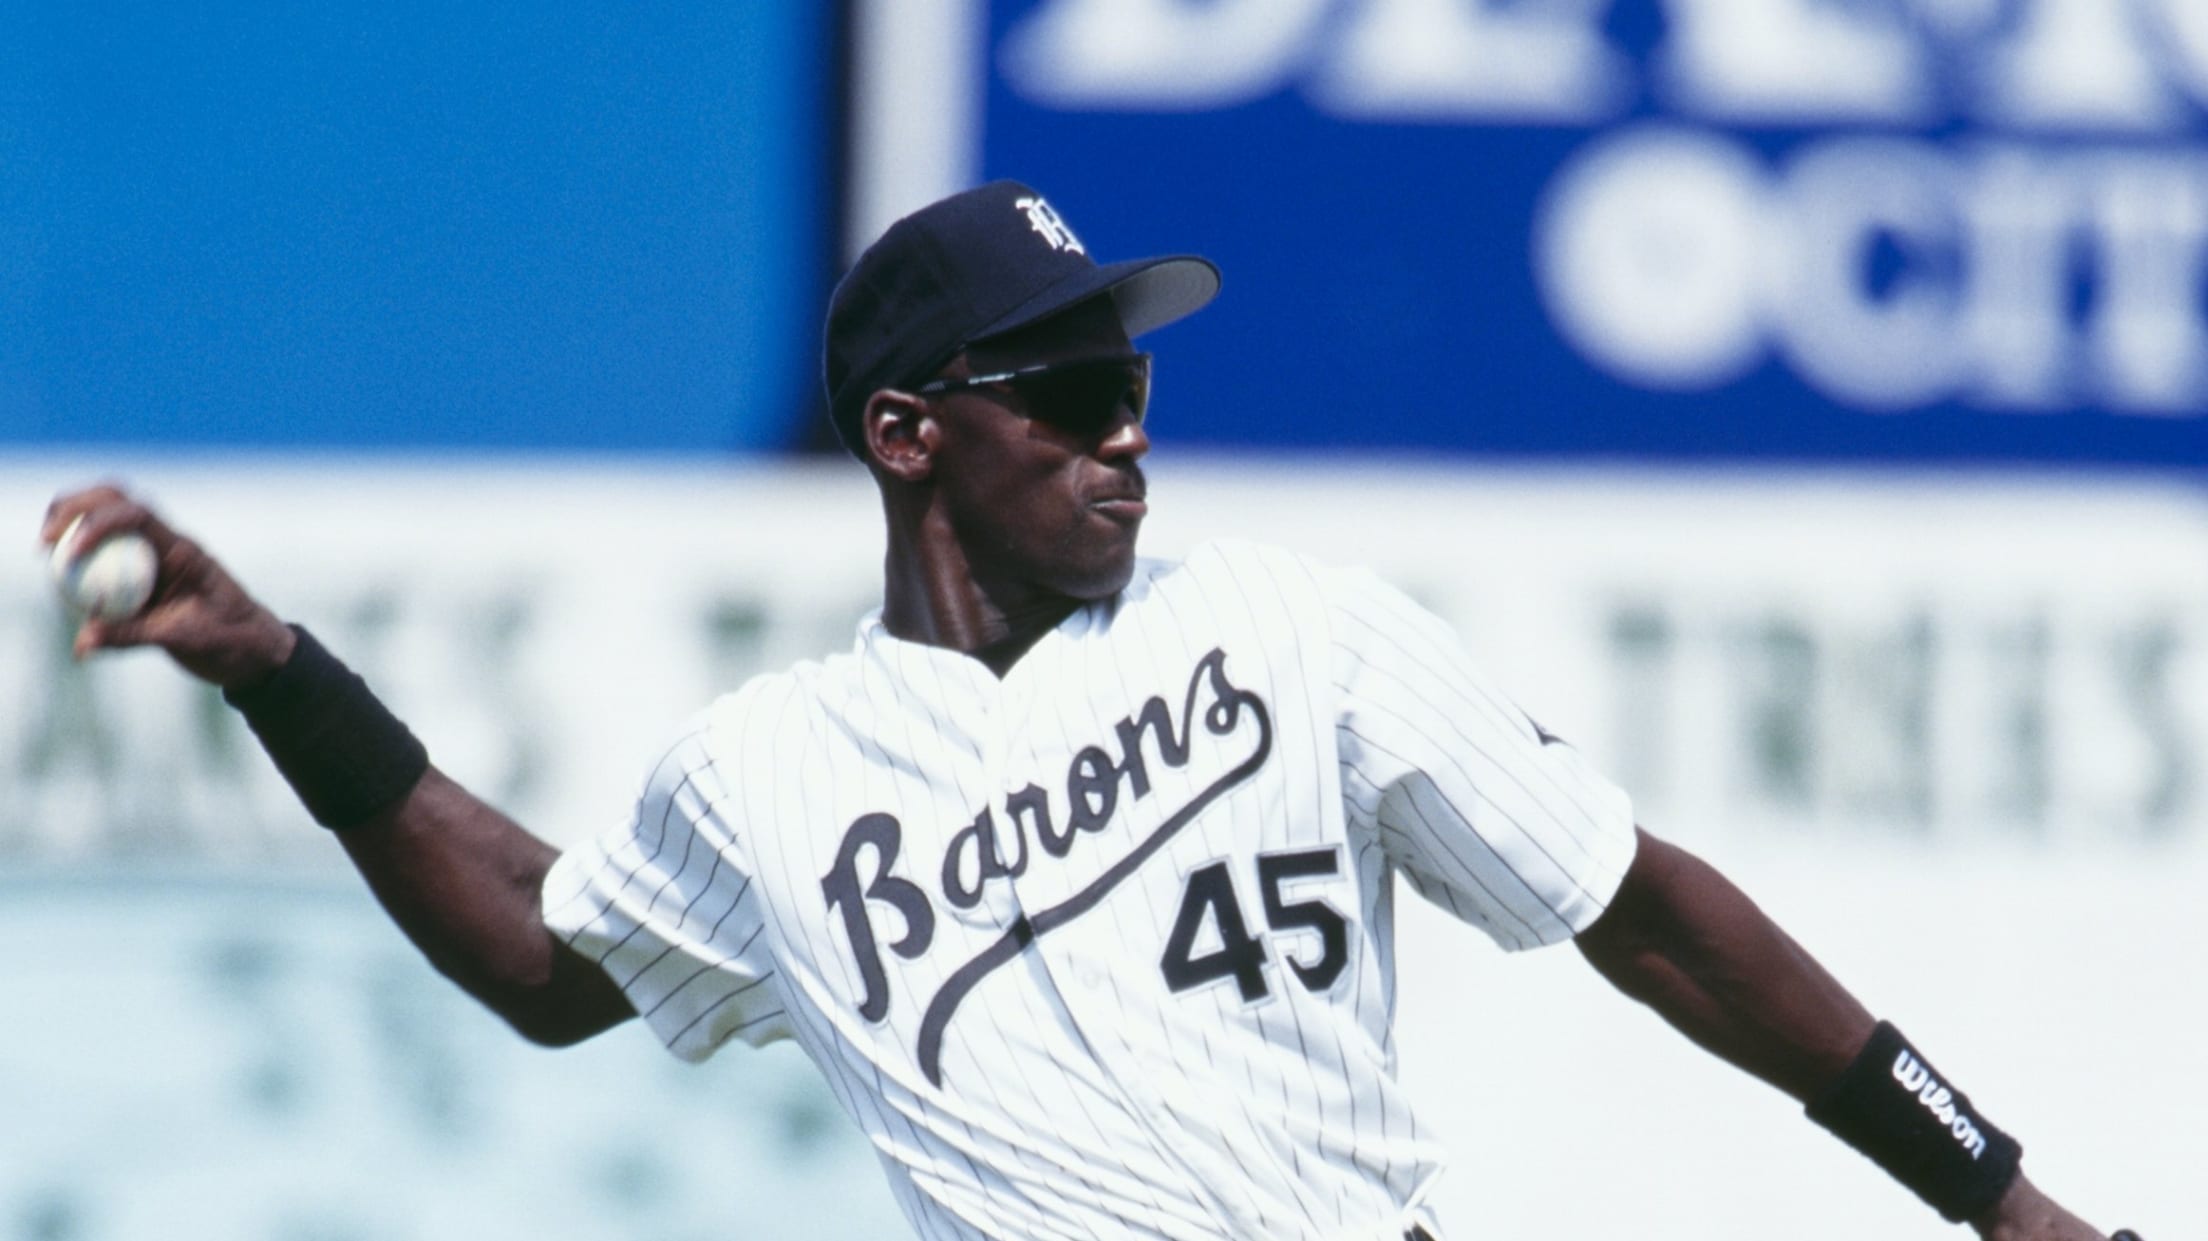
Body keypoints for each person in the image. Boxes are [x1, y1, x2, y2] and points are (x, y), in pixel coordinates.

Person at [45, 181, 2139, 1241]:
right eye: (1060, 393)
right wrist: (282, 676)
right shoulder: (768, 773)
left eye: (1129, 386)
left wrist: (1999, 1198)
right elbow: (543, 952)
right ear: (907, 435)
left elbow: (1646, 910)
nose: (1119, 435)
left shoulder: (1293, 634)